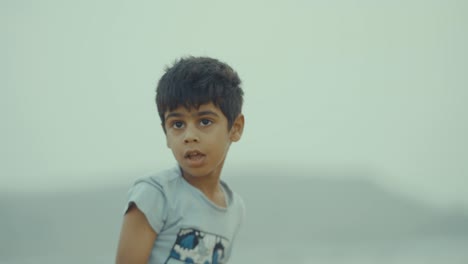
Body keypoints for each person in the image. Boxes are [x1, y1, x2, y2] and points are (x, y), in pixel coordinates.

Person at [116, 56, 246, 264]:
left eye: (204, 121)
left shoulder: (235, 209)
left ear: (236, 128)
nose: (189, 136)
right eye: (177, 124)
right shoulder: (155, 195)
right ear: (166, 133)